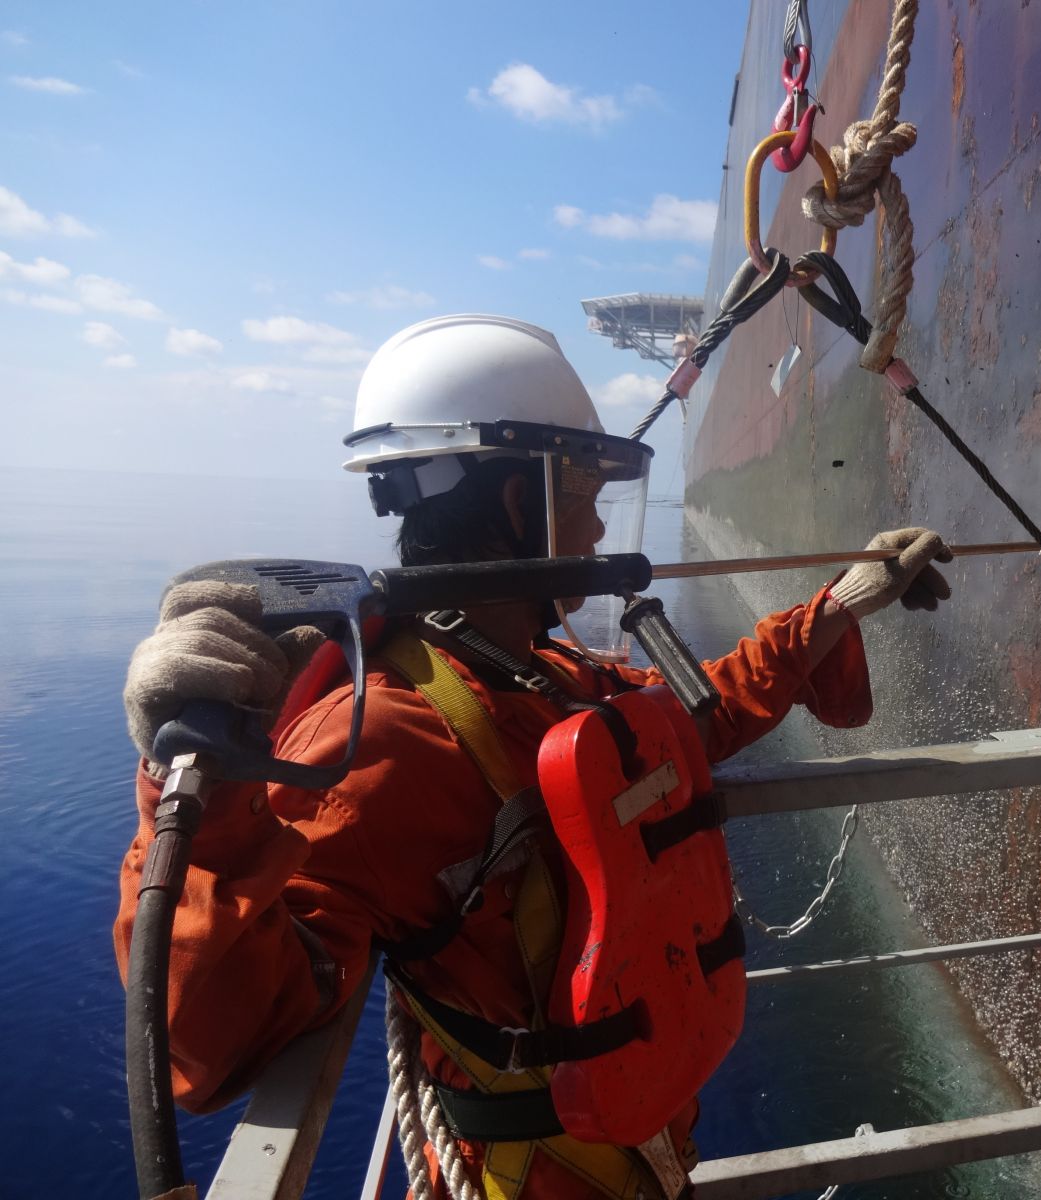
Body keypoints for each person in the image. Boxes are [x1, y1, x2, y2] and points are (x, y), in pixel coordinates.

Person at [115, 314, 954, 1200]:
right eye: (584, 489)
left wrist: (839, 606)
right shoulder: (379, 747)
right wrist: (203, 788)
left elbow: (687, 722)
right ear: (523, 502)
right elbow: (209, 1043)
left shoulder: (542, 673)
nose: (594, 529)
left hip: (641, 1158)